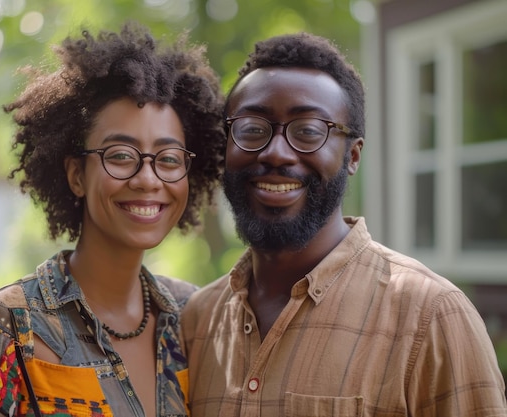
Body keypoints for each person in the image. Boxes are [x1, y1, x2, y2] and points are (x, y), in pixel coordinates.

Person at [181, 32, 507, 416]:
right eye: (252, 128)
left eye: (308, 131)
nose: (276, 153)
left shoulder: (432, 316)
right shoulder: (197, 320)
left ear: (352, 156)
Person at [0, 22, 225, 417]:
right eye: (120, 155)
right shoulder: (8, 329)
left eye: (169, 159)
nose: (147, 179)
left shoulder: (194, 318)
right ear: (76, 175)